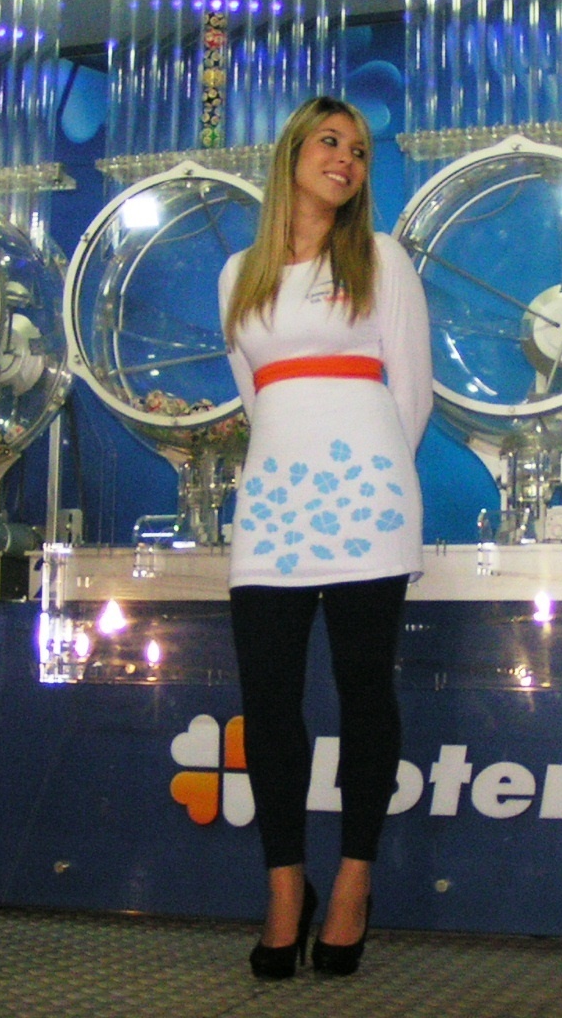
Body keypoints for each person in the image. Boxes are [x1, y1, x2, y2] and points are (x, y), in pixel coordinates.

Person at [218, 96, 432, 979]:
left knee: (362, 690)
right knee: (268, 703)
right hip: (272, 505)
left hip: (367, 499)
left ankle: (351, 883)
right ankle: (284, 889)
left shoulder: (382, 258)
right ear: (292, 154)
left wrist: (372, 475)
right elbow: (253, 394)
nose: (347, 158)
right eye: (330, 141)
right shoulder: (238, 274)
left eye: (361, 149)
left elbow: (412, 393)